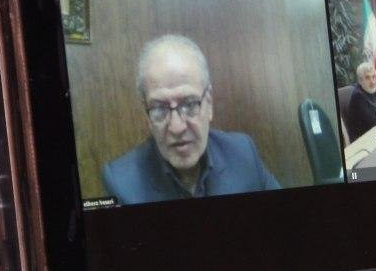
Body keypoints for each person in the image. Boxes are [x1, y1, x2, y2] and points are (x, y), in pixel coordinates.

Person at [101, 34, 280, 203]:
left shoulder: (243, 153)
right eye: (159, 108)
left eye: (189, 104)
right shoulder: (120, 183)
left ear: (208, 103)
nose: (177, 127)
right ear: (147, 116)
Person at [344, 60, 376, 140]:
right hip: (364, 140)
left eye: (374, 77)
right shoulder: (358, 96)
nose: (372, 81)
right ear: (360, 81)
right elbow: (373, 122)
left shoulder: (372, 91)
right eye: (367, 78)